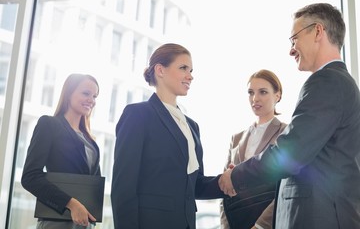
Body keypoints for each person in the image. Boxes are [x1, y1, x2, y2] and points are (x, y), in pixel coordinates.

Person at [219, 2, 360, 229]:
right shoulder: (339, 83)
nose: (291, 49)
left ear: (317, 31)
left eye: (294, 39)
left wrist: (235, 177)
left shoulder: (326, 82)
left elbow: (290, 153)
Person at [111, 43, 224, 229]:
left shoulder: (192, 126)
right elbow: (123, 187)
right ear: (160, 70)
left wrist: (227, 181)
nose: (190, 76)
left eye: (191, 70)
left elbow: (196, 186)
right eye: (183, 68)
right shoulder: (138, 115)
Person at [21, 73, 101, 229]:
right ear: (69, 94)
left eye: (95, 96)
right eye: (86, 93)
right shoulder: (49, 125)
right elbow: (30, 177)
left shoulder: (91, 141)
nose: (91, 100)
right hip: (57, 221)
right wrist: (71, 203)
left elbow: (93, 183)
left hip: (84, 223)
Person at [220, 69, 287, 229]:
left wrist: (260, 226)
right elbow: (224, 189)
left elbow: (284, 186)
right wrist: (226, 226)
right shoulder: (236, 138)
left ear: (277, 96)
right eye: (251, 92)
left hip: (269, 223)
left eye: (263, 92)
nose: (255, 98)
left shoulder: (287, 133)